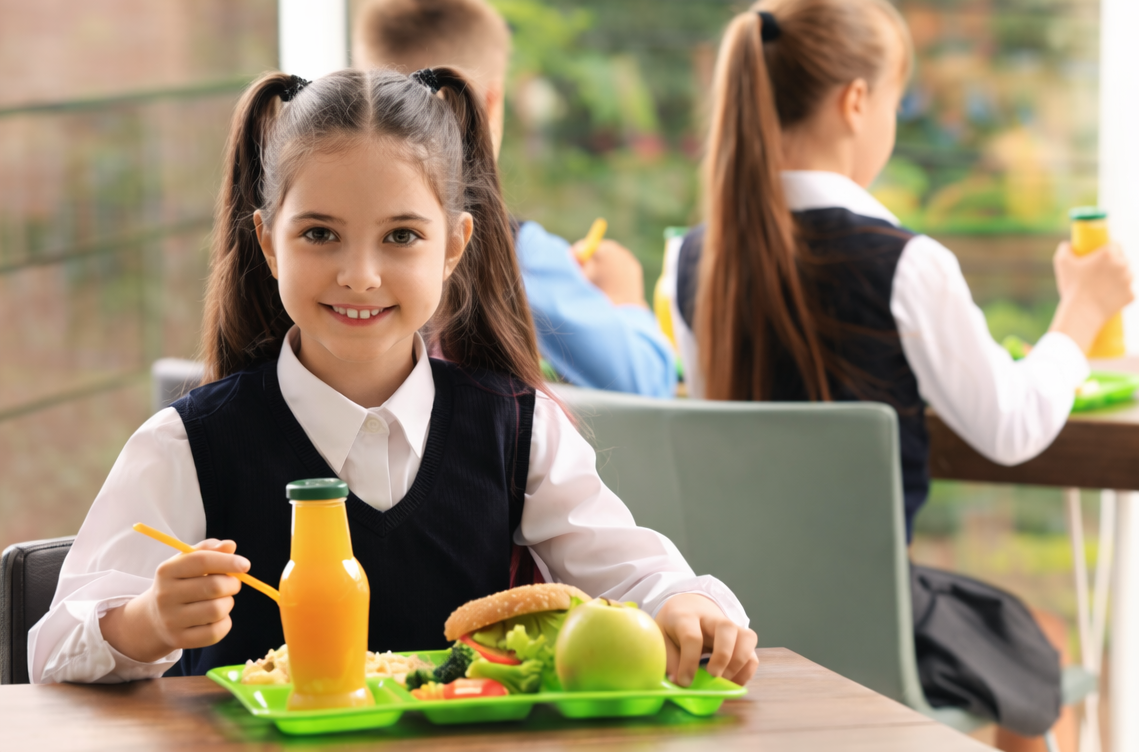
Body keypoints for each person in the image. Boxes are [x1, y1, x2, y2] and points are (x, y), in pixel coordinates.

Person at [28, 68, 756, 686]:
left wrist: (685, 605)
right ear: (268, 242)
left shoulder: (518, 427)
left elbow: (634, 574)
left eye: (401, 236)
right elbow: (50, 650)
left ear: (454, 246)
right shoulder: (187, 444)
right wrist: (146, 623)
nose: (360, 274)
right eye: (319, 234)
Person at [669, 0, 1133, 752]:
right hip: (874, 624)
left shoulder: (693, 259)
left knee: (1016, 645)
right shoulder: (907, 265)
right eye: (894, 103)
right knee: (1033, 652)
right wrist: (1080, 316)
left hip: (738, 624)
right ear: (857, 103)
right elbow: (1012, 427)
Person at [353, 0, 676, 397]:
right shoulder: (517, 255)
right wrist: (624, 297)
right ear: (491, 102)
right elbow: (648, 383)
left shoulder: (312, 253)